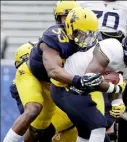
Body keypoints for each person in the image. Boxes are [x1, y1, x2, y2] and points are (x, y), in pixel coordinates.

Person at [3, 6, 98, 142]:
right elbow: (53, 70)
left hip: (54, 84)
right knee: (33, 109)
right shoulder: (55, 35)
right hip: (33, 75)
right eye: (81, 33)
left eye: (90, 34)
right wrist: (78, 80)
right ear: (70, 27)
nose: (86, 39)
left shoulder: (91, 44)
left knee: (40, 129)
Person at [50, 28, 127, 142]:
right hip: (65, 86)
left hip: (82, 91)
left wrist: (117, 102)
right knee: (99, 125)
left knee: (85, 132)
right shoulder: (112, 48)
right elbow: (90, 78)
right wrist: (114, 87)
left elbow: (115, 87)